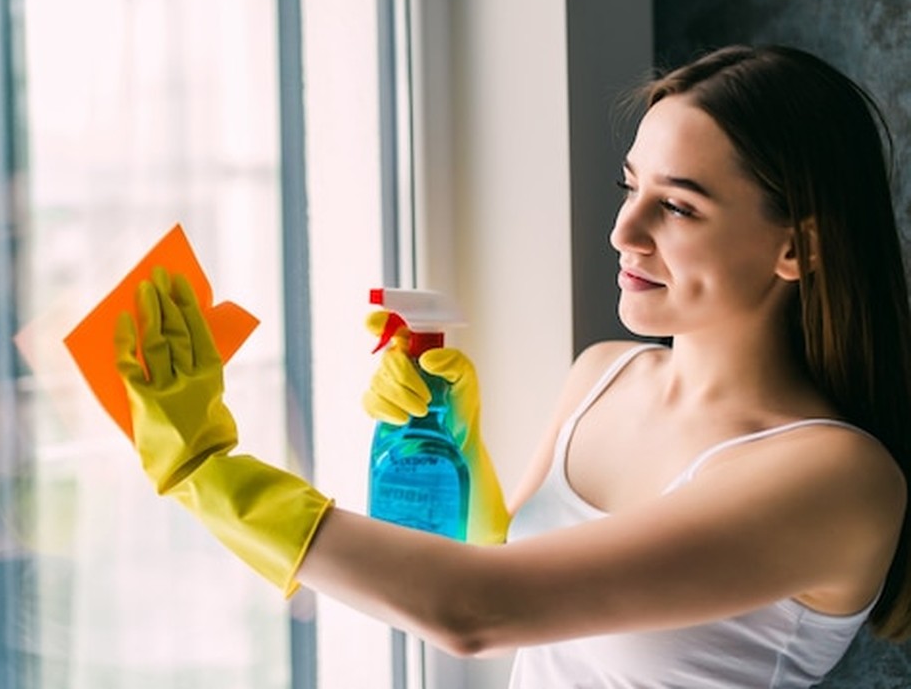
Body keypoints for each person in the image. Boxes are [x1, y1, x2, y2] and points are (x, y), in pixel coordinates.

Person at [113, 44, 911, 687]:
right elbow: (511, 577)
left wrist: (204, 468)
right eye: (630, 188)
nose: (624, 231)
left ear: (795, 246)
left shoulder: (836, 477)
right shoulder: (605, 374)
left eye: (677, 204)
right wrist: (451, 449)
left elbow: (474, 608)